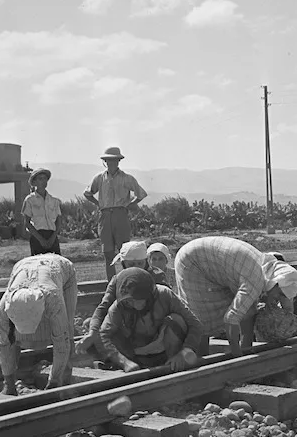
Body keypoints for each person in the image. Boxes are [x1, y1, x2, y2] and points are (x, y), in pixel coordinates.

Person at [174, 236, 297, 357]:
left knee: (246, 307)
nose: (278, 299)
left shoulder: (265, 267)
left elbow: (249, 310)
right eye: (280, 294)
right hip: (193, 261)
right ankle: (201, 359)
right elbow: (231, 318)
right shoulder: (255, 281)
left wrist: (289, 321)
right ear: (275, 283)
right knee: (202, 316)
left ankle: (245, 347)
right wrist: (235, 351)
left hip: (211, 262)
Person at [0, 253, 77, 395]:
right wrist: (8, 383)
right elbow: (4, 343)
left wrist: (54, 382)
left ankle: (64, 378)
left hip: (60, 268)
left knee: (66, 328)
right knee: (10, 337)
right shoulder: (5, 305)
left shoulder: (53, 298)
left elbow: (61, 341)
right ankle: (9, 383)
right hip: (22, 266)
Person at [76, 240, 168, 361]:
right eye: (131, 264)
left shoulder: (157, 277)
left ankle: (144, 354)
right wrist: (93, 332)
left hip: (153, 327)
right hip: (129, 328)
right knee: (91, 324)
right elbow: (103, 307)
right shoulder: (117, 280)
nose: (135, 268)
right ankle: (117, 357)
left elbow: (166, 307)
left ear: (146, 262)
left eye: (139, 263)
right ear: (123, 264)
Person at [99, 268, 202, 373]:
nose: (133, 304)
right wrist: (123, 361)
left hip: (165, 350)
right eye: (129, 300)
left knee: (176, 320)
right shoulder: (118, 307)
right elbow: (102, 335)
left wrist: (184, 352)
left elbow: (195, 324)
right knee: (112, 334)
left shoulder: (164, 295)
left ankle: (174, 366)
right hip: (136, 354)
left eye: (138, 299)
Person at [83, 147, 148, 281]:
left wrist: (129, 205)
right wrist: (99, 204)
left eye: (114, 160)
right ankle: (111, 284)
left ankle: (129, 281)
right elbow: (87, 193)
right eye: (108, 160)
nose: (111, 163)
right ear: (105, 161)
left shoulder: (126, 178)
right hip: (105, 215)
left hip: (120, 214)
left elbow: (141, 194)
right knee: (108, 253)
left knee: (126, 252)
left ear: (118, 161)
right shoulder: (99, 178)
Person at [21, 168, 62, 256]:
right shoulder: (30, 200)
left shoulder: (54, 200)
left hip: (52, 236)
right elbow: (27, 223)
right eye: (40, 179)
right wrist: (41, 239)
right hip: (37, 237)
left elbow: (58, 222)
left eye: (45, 179)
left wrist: (53, 238)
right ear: (34, 182)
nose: (43, 181)